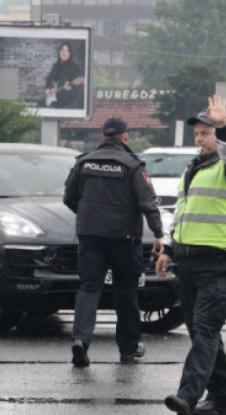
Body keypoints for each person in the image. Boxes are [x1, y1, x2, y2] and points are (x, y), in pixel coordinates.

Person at [156, 95, 226, 415]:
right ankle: (223, 398)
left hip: (218, 260)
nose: (199, 139)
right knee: (202, 331)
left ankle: (188, 395)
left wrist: (224, 126)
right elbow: (183, 212)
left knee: (206, 329)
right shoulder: (194, 168)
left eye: (205, 132)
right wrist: (169, 250)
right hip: (188, 260)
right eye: (196, 134)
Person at [63, 116, 164, 367]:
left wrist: (89, 217)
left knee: (88, 289)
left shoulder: (84, 162)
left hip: (90, 237)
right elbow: (148, 203)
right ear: (125, 137)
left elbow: (68, 197)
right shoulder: (132, 165)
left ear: (102, 136)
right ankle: (128, 348)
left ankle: (81, 341)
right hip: (124, 239)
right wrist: (159, 233)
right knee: (126, 292)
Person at [44, 41, 84, 109]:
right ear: (59, 52)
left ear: (70, 53)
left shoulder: (74, 68)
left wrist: (70, 88)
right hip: (57, 101)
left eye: (67, 51)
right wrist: (48, 88)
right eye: (62, 50)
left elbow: (79, 84)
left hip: (69, 103)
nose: (64, 53)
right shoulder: (56, 66)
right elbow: (49, 80)